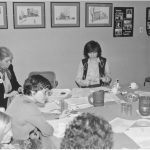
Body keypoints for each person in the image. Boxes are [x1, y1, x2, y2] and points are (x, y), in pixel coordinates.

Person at [6, 74, 56, 148]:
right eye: (44, 93)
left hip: (9, 140)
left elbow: (37, 116)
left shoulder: (19, 97)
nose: (46, 97)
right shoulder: (30, 107)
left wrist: (57, 115)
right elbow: (48, 131)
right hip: (19, 144)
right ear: (33, 92)